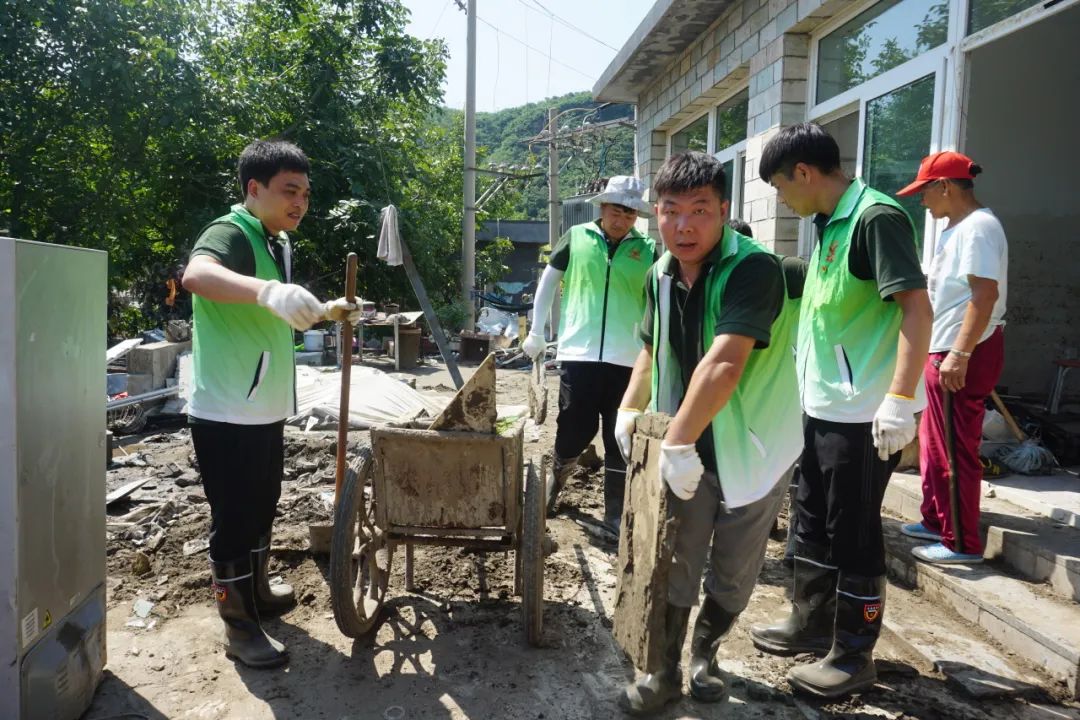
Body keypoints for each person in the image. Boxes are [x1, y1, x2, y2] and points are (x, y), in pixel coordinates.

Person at [614, 152, 802, 715]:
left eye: (699, 210)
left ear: (724, 210)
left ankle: (706, 654)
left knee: (734, 569)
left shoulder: (754, 269)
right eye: (671, 210)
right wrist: (629, 408)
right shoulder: (659, 273)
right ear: (655, 213)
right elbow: (651, 347)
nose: (684, 225)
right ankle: (665, 670)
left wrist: (674, 442)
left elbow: (725, 362)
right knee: (676, 557)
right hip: (689, 444)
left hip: (754, 445)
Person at [749, 123, 932, 699]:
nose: (782, 199)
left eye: (781, 187)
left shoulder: (875, 219)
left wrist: (899, 400)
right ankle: (811, 623)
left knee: (853, 533)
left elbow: (916, 310)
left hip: (863, 412)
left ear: (804, 173)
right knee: (812, 520)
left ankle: (854, 653)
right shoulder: (831, 224)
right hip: (823, 405)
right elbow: (829, 302)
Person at [182, 139, 361, 669]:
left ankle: (256, 592)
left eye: (305, 193)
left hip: (261, 407)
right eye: (289, 190)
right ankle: (238, 627)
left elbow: (265, 314)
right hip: (226, 412)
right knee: (235, 518)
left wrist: (324, 310)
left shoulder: (272, 240)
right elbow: (197, 275)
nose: (300, 202)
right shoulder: (231, 231)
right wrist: (269, 292)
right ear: (254, 188)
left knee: (263, 503)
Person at [521, 176, 658, 533]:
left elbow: (659, 301)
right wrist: (536, 331)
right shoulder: (577, 237)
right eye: (616, 211)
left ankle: (614, 515)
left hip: (627, 359)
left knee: (619, 435)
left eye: (629, 214)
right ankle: (556, 482)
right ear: (603, 207)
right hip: (579, 354)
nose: (621, 219)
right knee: (573, 428)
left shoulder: (648, 250)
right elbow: (548, 283)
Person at [895, 152, 1007, 565]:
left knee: (954, 451)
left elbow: (984, 295)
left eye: (924, 192)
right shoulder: (956, 228)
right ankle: (936, 520)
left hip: (962, 350)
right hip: (945, 347)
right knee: (933, 443)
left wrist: (959, 354)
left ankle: (961, 543)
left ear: (944, 186)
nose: (922, 201)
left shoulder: (979, 228)